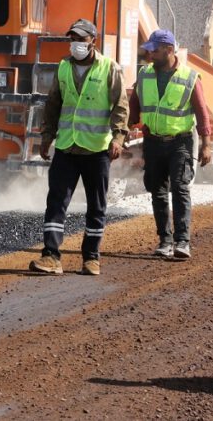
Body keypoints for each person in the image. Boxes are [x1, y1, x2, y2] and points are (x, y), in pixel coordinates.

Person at [29, 18, 128, 276]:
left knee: (96, 205)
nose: (75, 44)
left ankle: (91, 258)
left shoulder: (109, 68)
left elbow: (120, 106)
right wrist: (46, 136)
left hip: (96, 150)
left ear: (91, 41)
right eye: (72, 39)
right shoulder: (63, 67)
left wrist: (118, 138)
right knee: (56, 201)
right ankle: (51, 256)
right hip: (67, 147)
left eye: (80, 39)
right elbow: (53, 103)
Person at [127, 29, 212, 259]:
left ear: (169, 50)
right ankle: (165, 241)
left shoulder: (189, 77)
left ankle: (182, 241)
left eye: (154, 50)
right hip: (153, 141)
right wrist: (124, 130)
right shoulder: (144, 75)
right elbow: (133, 105)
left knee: (180, 187)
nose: (150, 54)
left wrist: (206, 143)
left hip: (180, 142)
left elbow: (202, 112)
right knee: (158, 191)